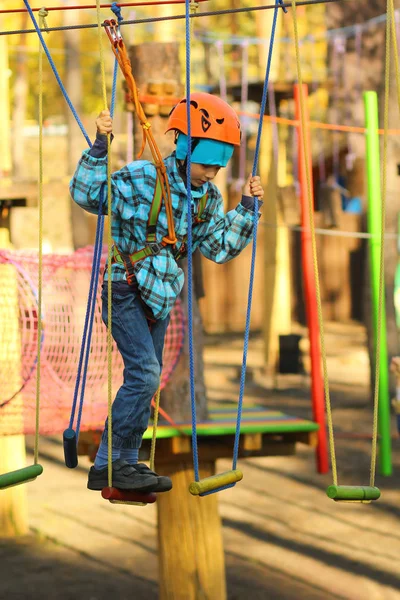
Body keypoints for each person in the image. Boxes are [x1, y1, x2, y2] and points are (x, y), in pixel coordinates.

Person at [70, 92, 264, 494]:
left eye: (220, 163)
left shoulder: (207, 199)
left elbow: (218, 247)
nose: (213, 171)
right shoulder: (144, 178)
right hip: (123, 287)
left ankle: (124, 460)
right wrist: (99, 148)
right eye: (207, 161)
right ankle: (108, 461)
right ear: (186, 145)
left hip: (157, 296)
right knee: (145, 374)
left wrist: (246, 208)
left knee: (148, 379)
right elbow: (89, 195)